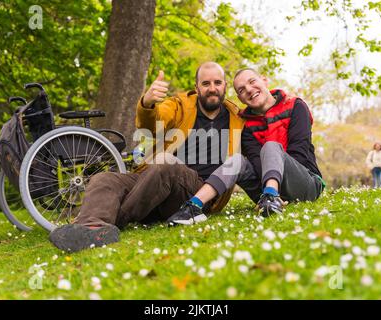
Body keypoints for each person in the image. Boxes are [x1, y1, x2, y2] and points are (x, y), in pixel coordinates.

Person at [48, 62, 244, 252]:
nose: (212, 88)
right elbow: (153, 123)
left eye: (217, 83)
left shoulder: (237, 118)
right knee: (105, 179)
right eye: (206, 83)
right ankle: (90, 228)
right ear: (196, 87)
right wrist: (148, 103)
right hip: (155, 179)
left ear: (225, 86)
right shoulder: (181, 105)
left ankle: (115, 221)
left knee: (167, 164)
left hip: (195, 193)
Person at [167, 68, 324, 223]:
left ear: (264, 80)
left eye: (252, 81)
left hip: (305, 183)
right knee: (237, 160)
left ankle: (272, 196)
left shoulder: (295, 106)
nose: (249, 90)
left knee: (270, 146)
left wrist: (276, 168)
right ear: (240, 98)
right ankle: (193, 207)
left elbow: (300, 154)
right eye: (242, 90)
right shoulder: (245, 125)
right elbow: (256, 163)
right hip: (264, 189)